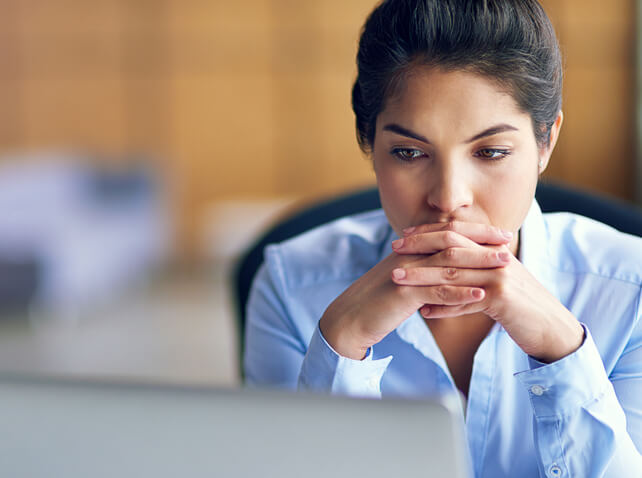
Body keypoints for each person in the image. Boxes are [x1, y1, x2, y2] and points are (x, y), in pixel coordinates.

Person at [243, 0, 642, 476]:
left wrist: (563, 350)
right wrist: (340, 346)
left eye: (491, 151)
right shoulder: (291, 285)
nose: (449, 198)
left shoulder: (631, 290)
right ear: (369, 144)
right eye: (409, 152)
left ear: (545, 142)